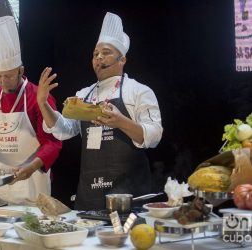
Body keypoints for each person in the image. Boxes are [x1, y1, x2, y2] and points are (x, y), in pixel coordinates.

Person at [37, 12, 163, 211]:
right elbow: (64, 129)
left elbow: (154, 135)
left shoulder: (138, 91)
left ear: (122, 60)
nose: (99, 58)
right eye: (95, 54)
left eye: (106, 53)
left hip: (128, 195)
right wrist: (43, 104)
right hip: (90, 195)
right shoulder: (84, 95)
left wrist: (120, 121)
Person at [0, 16, 62, 206]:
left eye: (9, 76)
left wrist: (32, 166)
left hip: (33, 182)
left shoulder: (38, 97)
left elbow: (52, 142)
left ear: (21, 70)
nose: (3, 82)